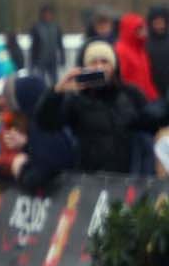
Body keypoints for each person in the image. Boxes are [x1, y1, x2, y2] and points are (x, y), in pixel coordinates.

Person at [35, 42, 167, 175]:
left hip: (128, 179)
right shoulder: (75, 99)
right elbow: (46, 123)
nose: (99, 67)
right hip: (91, 181)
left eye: (105, 62)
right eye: (93, 62)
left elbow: (151, 121)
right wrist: (57, 92)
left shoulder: (130, 94)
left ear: (114, 66)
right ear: (84, 67)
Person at [114, 12, 160, 101]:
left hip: (145, 100)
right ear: (130, 30)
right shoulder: (121, 51)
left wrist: (155, 98)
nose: (144, 32)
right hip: (132, 101)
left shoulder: (140, 49)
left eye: (143, 28)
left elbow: (147, 79)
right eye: (139, 28)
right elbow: (121, 81)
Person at [25, 5, 66, 86]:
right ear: (42, 14)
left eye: (49, 13)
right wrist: (32, 62)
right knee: (40, 82)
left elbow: (60, 44)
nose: (48, 15)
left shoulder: (56, 27)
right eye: (46, 13)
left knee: (55, 82)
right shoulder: (36, 27)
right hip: (40, 60)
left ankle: (55, 97)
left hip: (52, 60)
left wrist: (62, 57)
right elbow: (33, 46)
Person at [146, 6, 169, 103]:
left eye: (161, 22)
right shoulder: (145, 42)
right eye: (156, 22)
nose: (159, 25)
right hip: (152, 89)